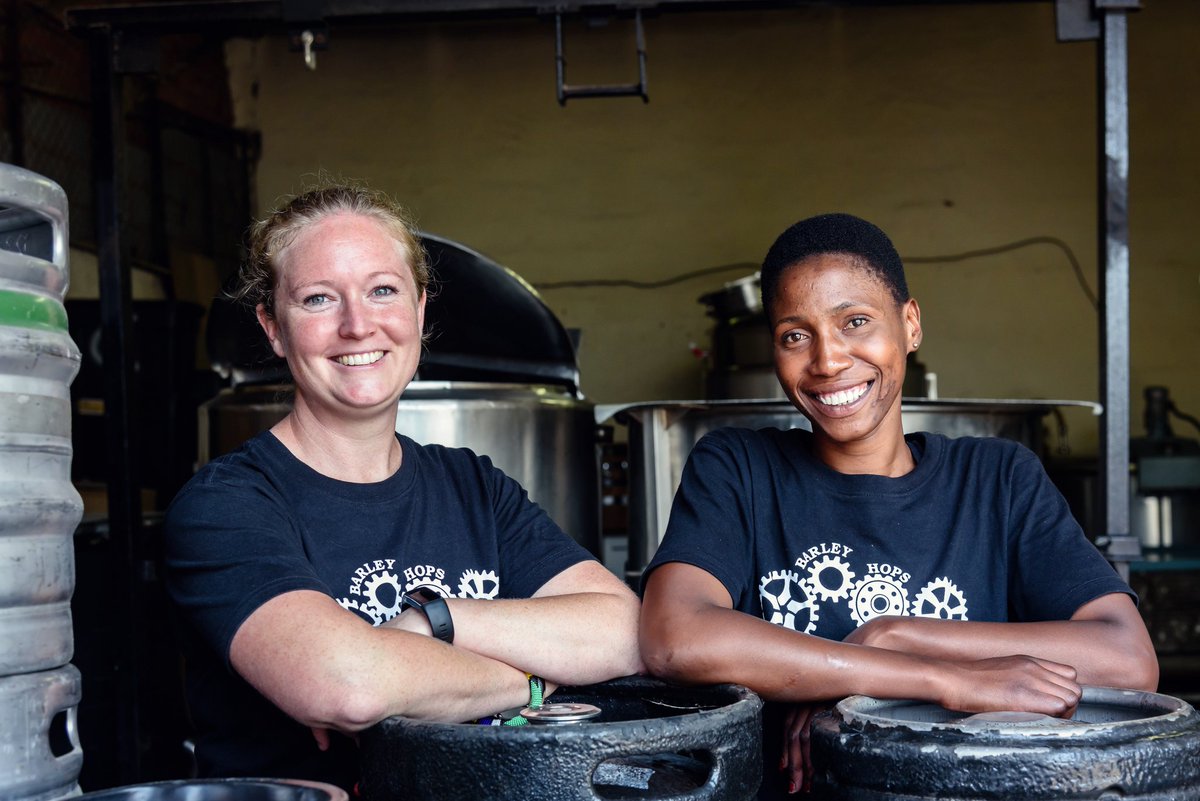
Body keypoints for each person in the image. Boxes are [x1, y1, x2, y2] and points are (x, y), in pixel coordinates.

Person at [638, 213, 1158, 799]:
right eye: (794, 335)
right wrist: (936, 680)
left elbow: (1125, 658)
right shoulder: (738, 469)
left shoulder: (998, 479)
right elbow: (675, 637)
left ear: (910, 325)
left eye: (855, 322)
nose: (828, 360)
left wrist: (895, 634)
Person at [164, 182, 642, 789]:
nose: (357, 325)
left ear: (418, 310)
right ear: (273, 328)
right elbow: (348, 685)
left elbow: (625, 630)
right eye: (317, 299)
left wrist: (433, 623)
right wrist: (536, 678)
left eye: (382, 291)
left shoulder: (473, 485)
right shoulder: (225, 506)